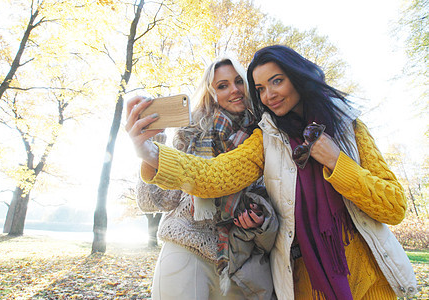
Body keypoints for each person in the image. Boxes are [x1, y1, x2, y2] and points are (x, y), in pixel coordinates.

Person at [125, 45, 418, 300]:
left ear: (298, 77)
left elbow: (394, 207)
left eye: (276, 81)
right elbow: (215, 174)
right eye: (261, 89)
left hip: (370, 278)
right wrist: (151, 153)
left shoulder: (349, 128)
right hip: (305, 283)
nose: (269, 95)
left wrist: (337, 161)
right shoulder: (267, 138)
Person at [133, 56, 278, 300]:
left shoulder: (266, 139)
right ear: (211, 93)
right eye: (222, 85)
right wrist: (152, 147)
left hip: (240, 262)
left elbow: (275, 207)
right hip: (186, 249)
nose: (234, 90)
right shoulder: (191, 131)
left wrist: (259, 222)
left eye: (238, 81)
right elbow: (153, 202)